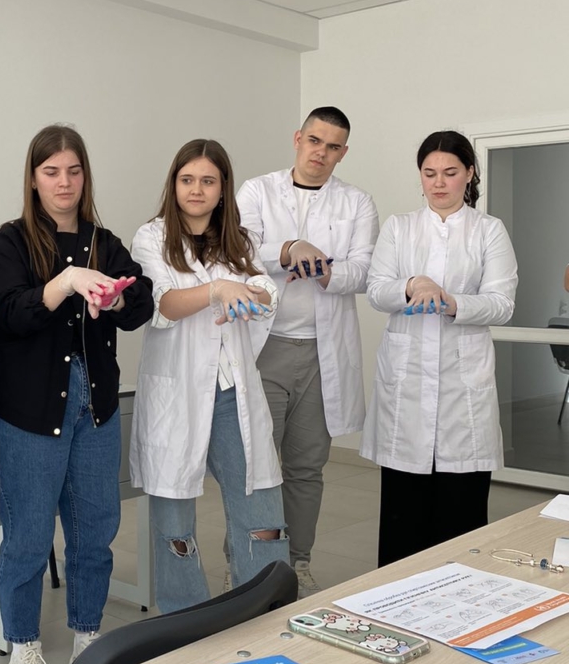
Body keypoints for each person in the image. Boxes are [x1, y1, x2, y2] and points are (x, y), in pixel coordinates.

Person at [0, 125, 153, 664]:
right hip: (30, 411)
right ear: (33, 178)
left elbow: (141, 300)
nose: (64, 182)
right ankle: (23, 647)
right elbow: (10, 312)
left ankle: (87, 637)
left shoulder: (104, 242)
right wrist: (66, 283)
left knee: (94, 531)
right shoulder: (10, 241)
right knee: (28, 536)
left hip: (95, 407)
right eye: (51, 171)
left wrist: (118, 295)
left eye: (73, 171)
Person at [130, 139, 287, 614]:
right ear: (174, 184)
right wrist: (219, 288)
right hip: (177, 394)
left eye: (207, 181)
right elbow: (164, 303)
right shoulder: (151, 238)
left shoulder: (240, 241)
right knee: (175, 525)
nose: (196, 190)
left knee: (262, 514)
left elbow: (265, 291)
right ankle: (185, 621)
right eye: (187, 179)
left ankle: (263, 610)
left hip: (233, 392)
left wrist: (249, 293)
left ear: (223, 190)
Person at [237, 107, 378, 596]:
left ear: (343, 153)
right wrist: (289, 249)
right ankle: (249, 563)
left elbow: (364, 271)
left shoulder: (357, 202)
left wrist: (324, 270)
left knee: (306, 467)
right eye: (315, 140)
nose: (321, 152)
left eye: (333, 146)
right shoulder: (257, 191)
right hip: (265, 347)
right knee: (256, 466)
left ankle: (298, 562)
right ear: (298, 138)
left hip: (322, 354)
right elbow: (238, 252)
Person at [361, 130, 517, 566]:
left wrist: (450, 302)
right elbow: (376, 290)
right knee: (403, 521)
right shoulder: (400, 227)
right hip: (406, 390)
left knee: (460, 522)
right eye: (429, 173)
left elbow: (502, 304)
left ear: (469, 173)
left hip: (462, 395)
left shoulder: (488, 230)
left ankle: (458, 597)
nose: (439, 182)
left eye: (450, 172)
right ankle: (395, 595)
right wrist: (413, 284)